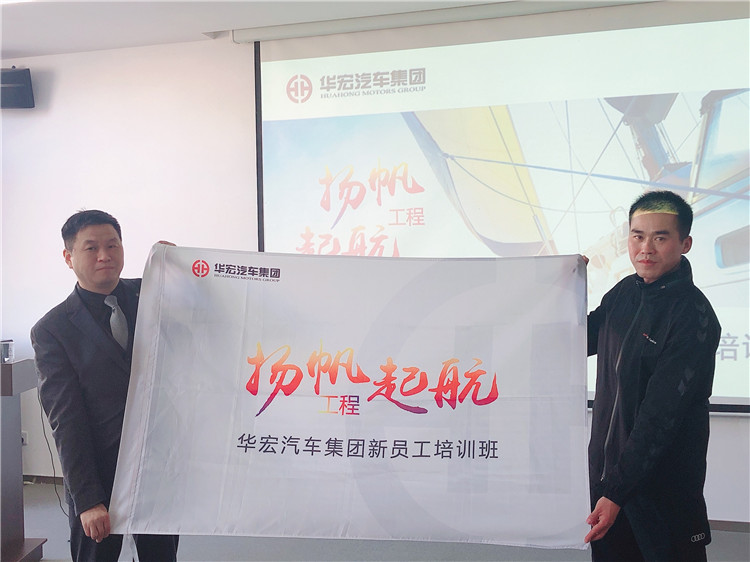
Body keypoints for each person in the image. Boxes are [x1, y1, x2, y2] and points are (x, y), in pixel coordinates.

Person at [31, 210, 179, 562]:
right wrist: (88, 500)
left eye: (113, 245)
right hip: (99, 477)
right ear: (68, 257)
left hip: (157, 469)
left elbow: (212, 310)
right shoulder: (52, 330)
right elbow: (67, 420)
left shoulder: (154, 294)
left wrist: (180, 267)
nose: (104, 256)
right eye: (91, 248)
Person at [583, 190, 721, 561]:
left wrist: (617, 492)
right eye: (638, 236)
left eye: (660, 238)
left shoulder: (693, 316)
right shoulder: (624, 293)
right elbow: (576, 339)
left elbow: (660, 417)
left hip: (662, 491)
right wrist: (563, 283)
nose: (646, 248)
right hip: (609, 482)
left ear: (685, 244)